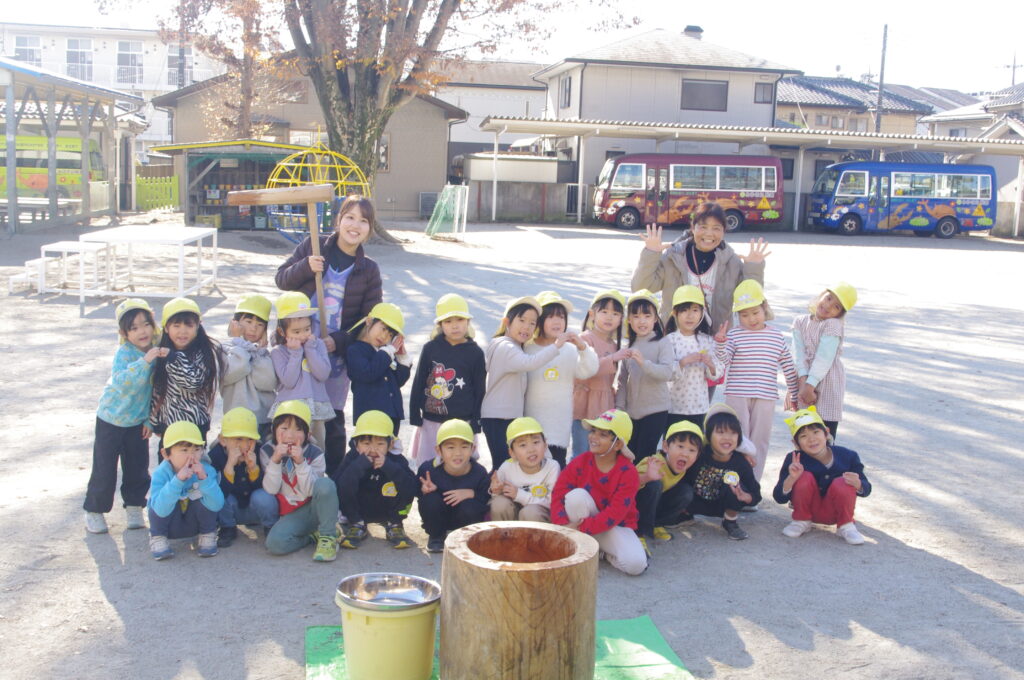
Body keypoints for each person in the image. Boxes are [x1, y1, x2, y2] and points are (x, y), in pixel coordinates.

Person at [276, 194, 384, 475]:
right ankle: (290, 480)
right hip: (298, 347)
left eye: (363, 221)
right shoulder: (313, 246)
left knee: (331, 419)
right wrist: (306, 266)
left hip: (335, 356)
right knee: (297, 414)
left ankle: (333, 483)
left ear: (369, 229)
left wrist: (337, 341)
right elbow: (281, 279)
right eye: (350, 217)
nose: (355, 225)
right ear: (338, 220)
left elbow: (369, 320)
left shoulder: (369, 269)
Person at [84, 299, 166, 535]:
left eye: (146, 324)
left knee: (137, 467)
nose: (142, 331)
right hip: (111, 419)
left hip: (137, 423)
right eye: (134, 328)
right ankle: (94, 511)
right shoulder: (125, 353)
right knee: (105, 468)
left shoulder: (157, 348)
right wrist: (145, 361)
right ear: (124, 333)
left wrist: (150, 420)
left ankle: (134, 507)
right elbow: (124, 383)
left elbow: (156, 390)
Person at [632, 201, 771, 333]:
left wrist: (754, 268)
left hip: (717, 339)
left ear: (724, 232)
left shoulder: (731, 262)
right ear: (693, 228)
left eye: (716, 228)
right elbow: (641, 287)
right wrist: (651, 254)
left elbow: (751, 299)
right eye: (703, 227)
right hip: (674, 338)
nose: (709, 233)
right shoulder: (673, 257)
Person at [715, 279, 799, 483]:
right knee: (736, 438)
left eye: (755, 312)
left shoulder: (776, 336)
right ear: (737, 316)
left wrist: (795, 393)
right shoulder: (734, 335)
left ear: (765, 308)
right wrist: (721, 343)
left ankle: (753, 485)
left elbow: (788, 365)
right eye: (744, 315)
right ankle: (734, 483)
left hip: (765, 396)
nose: (751, 319)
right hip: (737, 394)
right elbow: (724, 361)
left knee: (760, 440)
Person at [551, 409, 647, 575]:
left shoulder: (628, 472)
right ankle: (590, 547)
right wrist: (563, 526)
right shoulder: (580, 461)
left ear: (618, 444)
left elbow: (615, 513)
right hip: (581, 522)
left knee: (636, 565)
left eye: (603, 435)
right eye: (593, 431)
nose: (593, 437)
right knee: (576, 496)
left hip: (614, 526)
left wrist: (578, 530)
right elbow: (558, 493)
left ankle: (599, 552)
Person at [480, 296, 566, 470]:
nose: (527, 327)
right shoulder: (506, 347)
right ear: (507, 322)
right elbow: (529, 363)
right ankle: (491, 488)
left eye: (532, 323)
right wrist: (556, 346)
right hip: (499, 418)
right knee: (503, 466)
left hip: (506, 416)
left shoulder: (515, 346)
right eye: (522, 320)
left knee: (509, 466)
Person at [773, 407, 871, 545]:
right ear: (796, 443)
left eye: (816, 432)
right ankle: (801, 521)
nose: (811, 439)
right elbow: (779, 497)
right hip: (807, 509)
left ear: (826, 432)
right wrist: (792, 478)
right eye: (803, 436)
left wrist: (858, 484)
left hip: (835, 512)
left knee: (843, 482)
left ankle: (846, 525)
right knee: (803, 476)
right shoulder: (794, 459)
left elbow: (867, 488)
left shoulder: (848, 456)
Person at [409, 293, 486, 468]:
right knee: (429, 465)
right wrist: (414, 413)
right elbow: (419, 381)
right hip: (432, 420)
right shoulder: (430, 349)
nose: (455, 326)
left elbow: (479, 389)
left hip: (463, 422)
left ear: (468, 321)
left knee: (461, 466)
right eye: (448, 321)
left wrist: (477, 421)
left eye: (460, 319)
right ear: (440, 324)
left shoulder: (475, 353)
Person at [524, 291, 597, 468]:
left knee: (556, 470)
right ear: (539, 320)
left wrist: (582, 347)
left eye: (561, 317)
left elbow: (588, 370)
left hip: (558, 428)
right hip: (530, 425)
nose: (557, 322)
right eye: (550, 317)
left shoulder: (569, 350)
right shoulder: (527, 348)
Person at [260, 400, 340, 562]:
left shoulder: (315, 452)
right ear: (274, 430)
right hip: (290, 513)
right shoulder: (267, 451)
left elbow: (310, 490)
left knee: (325, 484)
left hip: (313, 508)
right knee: (275, 545)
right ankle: (311, 537)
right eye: (284, 428)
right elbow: (271, 489)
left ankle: (328, 536)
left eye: (298, 429)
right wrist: (275, 460)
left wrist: (300, 462)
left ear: (308, 434)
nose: (290, 435)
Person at [333, 410, 418, 550]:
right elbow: (338, 485)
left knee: (403, 482)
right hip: (359, 509)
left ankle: (395, 524)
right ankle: (356, 523)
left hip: (388, 508)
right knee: (343, 485)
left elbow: (411, 488)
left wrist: (389, 467)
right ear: (356, 444)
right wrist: (358, 466)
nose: (373, 449)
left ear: (390, 444)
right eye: (366, 443)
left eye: (380, 443)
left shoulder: (396, 459)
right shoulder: (352, 458)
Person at [149, 297, 224, 444]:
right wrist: (154, 421)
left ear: (198, 327)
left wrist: (174, 359)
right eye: (176, 325)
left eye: (189, 325)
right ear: (166, 328)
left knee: (193, 458)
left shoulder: (203, 353)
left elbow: (193, 383)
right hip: (169, 424)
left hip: (194, 424)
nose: (182, 331)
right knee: (166, 458)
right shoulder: (162, 352)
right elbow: (158, 390)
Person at [147, 421, 225, 560]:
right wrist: (177, 481)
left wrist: (204, 479)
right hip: (170, 525)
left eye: (197, 449)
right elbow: (160, 509)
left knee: (207, 495)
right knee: (156, 500)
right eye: (184, 450)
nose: (191, 456)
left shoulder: (206, 470)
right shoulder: (161, 473)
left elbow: (217, 504)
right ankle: (158, 537)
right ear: (166, 454)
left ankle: (207, 534)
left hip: (194, 524)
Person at [790, 283, 858, 439]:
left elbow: (824, 358)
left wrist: (810, 385)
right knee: (804, 430)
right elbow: (798, 354)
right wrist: (803, 383)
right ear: (822, 295)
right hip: (803, 379)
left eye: (836, 307)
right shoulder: (800, 321)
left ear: (840, 313)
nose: (828, 306)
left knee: (825, 432)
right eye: (828, 298)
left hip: (827, 381)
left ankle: (827, 454)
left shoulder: (833, 325)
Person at [684, 404, 761, 540]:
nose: (727, 437)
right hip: (695, 502)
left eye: (733, 433)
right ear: (708, 435)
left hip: (723, 505)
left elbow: (756, 494)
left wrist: (746, 497)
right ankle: (682, 515)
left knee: (734, 483)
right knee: (681, 489)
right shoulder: (699, 454)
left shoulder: (740, 462)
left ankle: (730, 521)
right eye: (720, 432)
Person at [270, 291, 334, 451]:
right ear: (282, 332)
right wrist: (296, 353)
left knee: (317, 446)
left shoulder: (317, 345)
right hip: (290, 409)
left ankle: (316, 467)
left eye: (307, 329)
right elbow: (289, 381)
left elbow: (323, 374)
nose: (303, 335)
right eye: (296, 332)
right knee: (289, 446)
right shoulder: (278, 352)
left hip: (316, 406)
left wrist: (310, 350)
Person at [615, 289, 674, 461]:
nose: (642, 321)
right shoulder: (629, 346)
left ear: (655, 319)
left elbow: (666, 373)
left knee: (644, 457)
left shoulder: (663, 342)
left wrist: (644, 363)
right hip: (631, 413)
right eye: (636, 316)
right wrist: (620, 408)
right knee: (628, 456)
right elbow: (622, 381)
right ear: (629, 320)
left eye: (647, 316)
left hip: (656, 410)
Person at [208, 407, 279, 548]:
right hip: (231, 508)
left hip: (254, 508)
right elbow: (214, 492)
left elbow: (268, 486)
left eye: (250, 440)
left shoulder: (259, 451)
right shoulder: (215, 455)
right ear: (223, 440)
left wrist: (253, 469)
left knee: (263, 496)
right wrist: (229, 467)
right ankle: (227, 527)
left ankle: (270, 525)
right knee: (218, 496)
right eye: (238, 439)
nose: (245, 445)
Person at [571, 290, 630, 458]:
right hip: (585, 403)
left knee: (601, 452)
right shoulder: (584, 339)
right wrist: (612, 358)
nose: (609, 317)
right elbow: (584, 370)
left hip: (604, 404)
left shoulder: (614, 345)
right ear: (592, 314)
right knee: (581, 452)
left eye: (615, 313)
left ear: (621, 319)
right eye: (604, 311)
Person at [417, 419, 490, 553]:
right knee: (430, 499)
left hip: (465, 520)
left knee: (471, 506)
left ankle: (465, 538)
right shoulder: (428, 470)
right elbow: (413, 491)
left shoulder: (479, 472)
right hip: (439, 518)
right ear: (439, 450)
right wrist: (423, 490)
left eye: (464, 447)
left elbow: (486, 499)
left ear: (473, 449)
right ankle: (436, 536)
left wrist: (472, 493)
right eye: (450, 447)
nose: (458, 453)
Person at [346, 302, 411, 436]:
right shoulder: (356, 350)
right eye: (383, 328)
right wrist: (388, 352)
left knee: (390, 448)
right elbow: (368, 373)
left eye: (390, 334)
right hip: (370, 416)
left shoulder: (386, 352)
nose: (385, 336)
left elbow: (399, 381)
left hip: (392, 414)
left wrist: (402, 358)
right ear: (369, 321)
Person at [635, 420, 701, 546]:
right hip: (632, 507)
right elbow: (626, 484)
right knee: (655, 485)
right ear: (665, 446)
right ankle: (638, 533)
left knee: (685, 493)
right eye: (680, 446)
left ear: (697, 456)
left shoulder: (682, 467)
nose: (685, 454)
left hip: (652, 505)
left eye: (692, 450)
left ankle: (656, 524)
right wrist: (646, 477)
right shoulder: (654, 463)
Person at [664, 285, 722, 428]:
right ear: (675, 313)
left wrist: (711, 364)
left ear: (702, 313)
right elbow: (664, 373)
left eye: (695, 310)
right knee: (673, 440)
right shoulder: (669, 341)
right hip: (673, 407)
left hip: (699, 407)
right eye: (684, 310)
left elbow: (717, 373)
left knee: (696, 441)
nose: (690, 316)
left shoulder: (707, 341)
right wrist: (683, 362)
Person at [221, 294, 277, 440]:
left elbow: (267, 383)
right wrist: (239, 343)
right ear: (235, 323)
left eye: (260, 324)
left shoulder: (263, 354)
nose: (253, 328)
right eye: (248, 321)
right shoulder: (225, 349)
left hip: (263, 420)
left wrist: (258, 353)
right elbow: (233, 372)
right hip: (235, 420)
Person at [489, 417, 560, 522]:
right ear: (512, 453)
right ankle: (504, 532)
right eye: (523, 445)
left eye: (536, 442)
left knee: (530, 512)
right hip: (512, 514)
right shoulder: (507, 467)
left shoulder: (552, 467)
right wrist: (495, 490)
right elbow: (495, 493)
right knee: (499, 504)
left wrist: (519, 495)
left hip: (537, 515)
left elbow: (552, 503)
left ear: (545, 445)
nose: (531, 450)